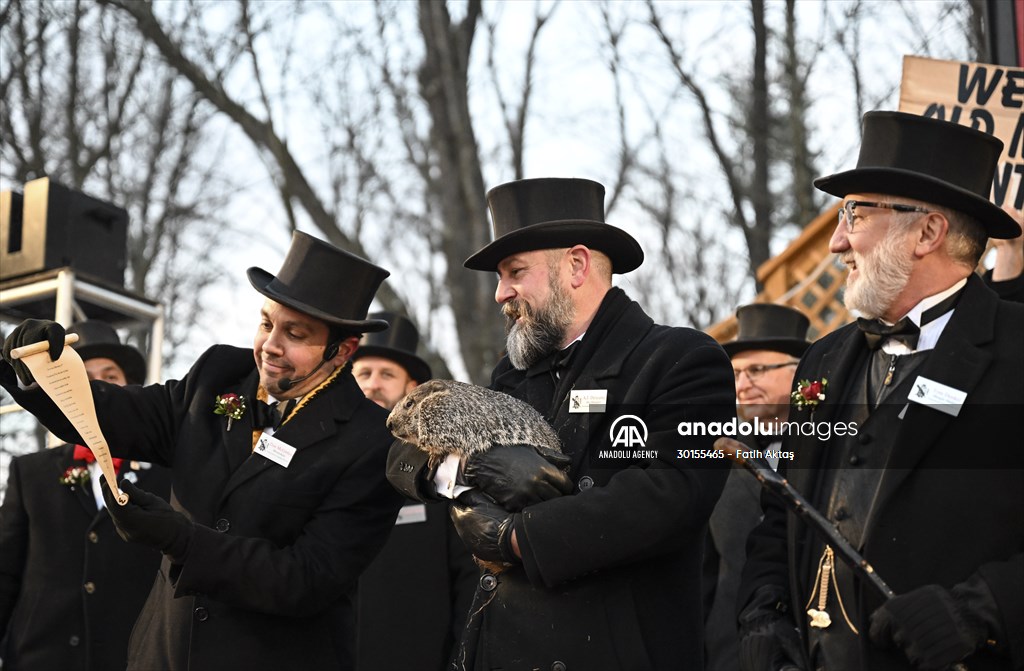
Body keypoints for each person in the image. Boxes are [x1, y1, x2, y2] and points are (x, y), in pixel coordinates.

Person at [0, 231, 404, 671]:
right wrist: (36, 371)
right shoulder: (220, 376)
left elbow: (305, 579)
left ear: (342, 351)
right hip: (165, 654)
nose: (270, 345)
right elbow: (113, 413)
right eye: (267, 323)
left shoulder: (370, 443)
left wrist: (180, 539)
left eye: (295, 333)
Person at [387, 177, 736, 670]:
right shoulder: (512, 373)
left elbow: (669, 495)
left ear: (576, 264)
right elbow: (403, 457)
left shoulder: (679, 359)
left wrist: (515, 537)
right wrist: (465, 475)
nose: (500, 294)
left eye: (515, 272)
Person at [737, 111, 1024, 671]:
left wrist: (980, 610)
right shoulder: (824, 358)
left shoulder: (1017, 354)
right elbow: (779, 514)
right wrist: (764, 617)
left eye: (855, 214)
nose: (837, 242)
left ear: (927, 232)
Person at [0, 320, 172, 671]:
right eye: (83, 376)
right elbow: (5, 571)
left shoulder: (167, 476)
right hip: (39, 658)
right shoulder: (30, 472)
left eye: (110, 377)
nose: (97, 388)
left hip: (130, 658)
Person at [350, 311, 477, 671]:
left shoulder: (442, 463)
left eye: (387, 374)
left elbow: (469, 576)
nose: (373, 385)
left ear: (411, 389)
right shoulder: (321, 460)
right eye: (364, 373)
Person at [704, 304, 811, 671]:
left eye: (758, 370)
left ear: (800, 372)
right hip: (728, 648)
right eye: (735, 373)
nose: (742, 384)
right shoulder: (714, 453)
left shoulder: (831, 446)